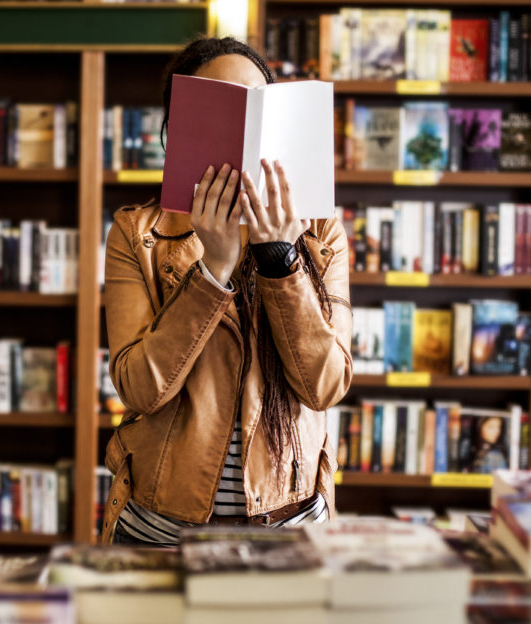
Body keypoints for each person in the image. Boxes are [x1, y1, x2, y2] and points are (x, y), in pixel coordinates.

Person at [100, 37, 353, 546]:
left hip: (289, 528)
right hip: (162, 534)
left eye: (256, 104)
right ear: (181, 129)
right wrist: (212, 269)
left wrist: (280, 258)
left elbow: (325, 385)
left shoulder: (320, 233)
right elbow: (140, 389)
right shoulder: (138, 234)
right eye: (221, 106)